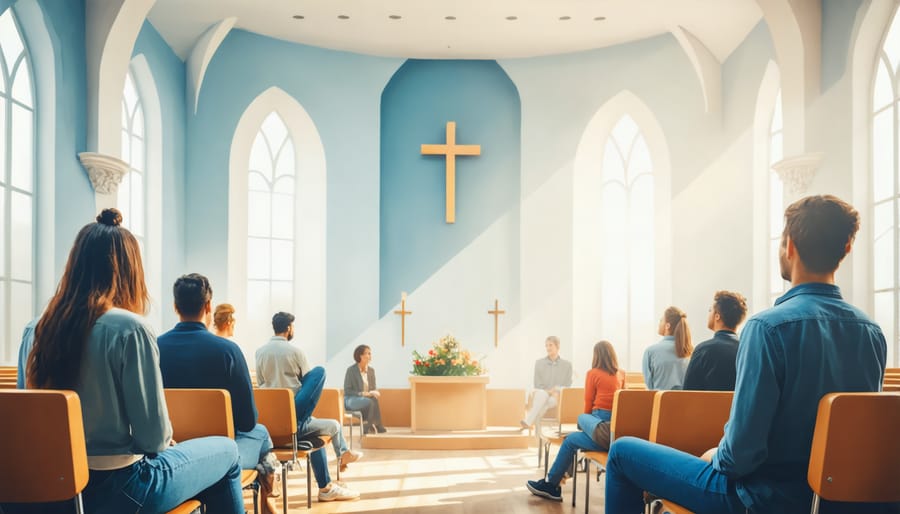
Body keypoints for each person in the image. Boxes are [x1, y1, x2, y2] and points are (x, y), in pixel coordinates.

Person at [604, 195, 891, 514]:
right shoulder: (872, 332)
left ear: (790, 246)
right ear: (847, 249)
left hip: (762, 499)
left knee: (622, 453)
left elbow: (740, 456)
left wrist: (717, 453)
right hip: (834, 502)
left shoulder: (767, 328)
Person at [12, 209, 243, 513]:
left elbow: (26, 415)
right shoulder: (130, 329)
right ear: (129, 270)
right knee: (227, 451)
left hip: (44, 492)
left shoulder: (35, 328)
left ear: (74, 265)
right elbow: (153, 440)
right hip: (118, 491)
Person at [157, 274, 280, 514]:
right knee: (261, 431)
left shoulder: (155, 348)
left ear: (175, 307)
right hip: (221, 450)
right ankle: (267, 497)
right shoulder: (228, 351)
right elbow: (247, 421)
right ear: (208, 306)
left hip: (173, 451)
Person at [256, 312, 361, 501]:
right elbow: (309, 384)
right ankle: (340, 460)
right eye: (293, 326)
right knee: (334, 424)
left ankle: (327, 485)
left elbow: (262, 385)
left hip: (270, 427)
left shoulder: (260, 352)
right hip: (294, 424)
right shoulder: (295, 352)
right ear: (288, 328)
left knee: (318, 435)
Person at [526, 340, 625, 502]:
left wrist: (583, 425)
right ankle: (553, 484)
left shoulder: (592, 373)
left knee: (578, 425)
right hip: (616, 430)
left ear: (596, 356)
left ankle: (552, 484)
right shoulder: (621, 374)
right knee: (571, 440)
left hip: (598, 424)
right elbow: (623, 401)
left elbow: (588, 403)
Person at [682, 290, 748, 391]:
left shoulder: (703, 350)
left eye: (710, 310)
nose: (709, 314)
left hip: (708, 407)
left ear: (717, 316)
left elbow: (688, 393)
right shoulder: (747, 350)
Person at [520, 336, 573, 429]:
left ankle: (529, 421)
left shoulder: (567, 365)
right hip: (542, 393)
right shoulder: (539, 363)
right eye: (546, 346)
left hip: (556, 397)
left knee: (551, 400)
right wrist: (549, 391)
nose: (548, 348)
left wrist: (557, 390)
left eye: (550, 345)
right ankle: (531, 422)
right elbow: (537, 384)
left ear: (558, 346)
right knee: (542, 395)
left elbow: (567, 385)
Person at [642, 307, 692, 390]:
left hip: (659, 402)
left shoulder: (650, 352)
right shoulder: (689, 352)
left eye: (661, 320)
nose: (659, 323)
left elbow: (650, 388)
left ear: (667, 326)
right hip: (684, 402)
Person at [344, 344, 386, 433]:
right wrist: (363, 394)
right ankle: (373, 426)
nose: (370, 356)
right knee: (370, 401)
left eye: (370, 353)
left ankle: (369, 425)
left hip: (367, 399)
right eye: (368, 353)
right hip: (352, 399)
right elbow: (347, 391)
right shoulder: (351, 370)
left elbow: (373, 388)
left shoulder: (371, 371)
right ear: (361, 356)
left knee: (373, 399)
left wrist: (375, 392)